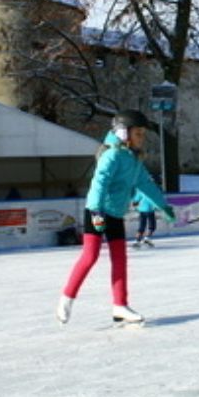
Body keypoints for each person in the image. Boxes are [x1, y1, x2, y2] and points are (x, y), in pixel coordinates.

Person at [56, 110, 176, 326]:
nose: (142, 138)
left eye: (142, 134)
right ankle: (66, 299)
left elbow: (146, 184)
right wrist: (96, 210)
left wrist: (163, 205)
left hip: (115, 215)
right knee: (90, 256)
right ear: (123, 133)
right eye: (138, 133)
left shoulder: (133, 159)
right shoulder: (112, 155)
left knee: (120, 259)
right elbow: (99, 183)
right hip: (98, 211)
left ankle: (120, 305)